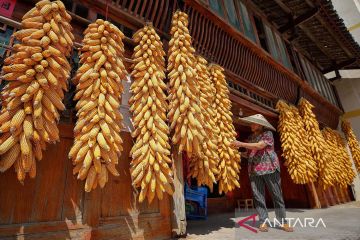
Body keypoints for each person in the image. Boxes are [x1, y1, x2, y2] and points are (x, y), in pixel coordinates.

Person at [231, 114, 294, 232]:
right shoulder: (250, 138)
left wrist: (240, 144)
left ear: (260, 125)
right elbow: (249, 153)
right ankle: (263, 221)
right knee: (258, 197)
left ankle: (283, 222)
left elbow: (260, 146)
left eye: (254, 123)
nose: (251, 125)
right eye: (251, 123)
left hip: (269, 168)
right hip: (254, 171)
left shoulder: (267, 134)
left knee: (277, 195)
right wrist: (237, 153)